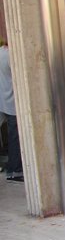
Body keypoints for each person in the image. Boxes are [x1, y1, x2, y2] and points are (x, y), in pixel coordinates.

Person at [0, 38, 22, 182]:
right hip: (12, 103)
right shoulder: (11, 56)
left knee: (11, 136)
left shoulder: (1, 53)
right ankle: (14, 170)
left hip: (3, 101)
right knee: (15, 137)